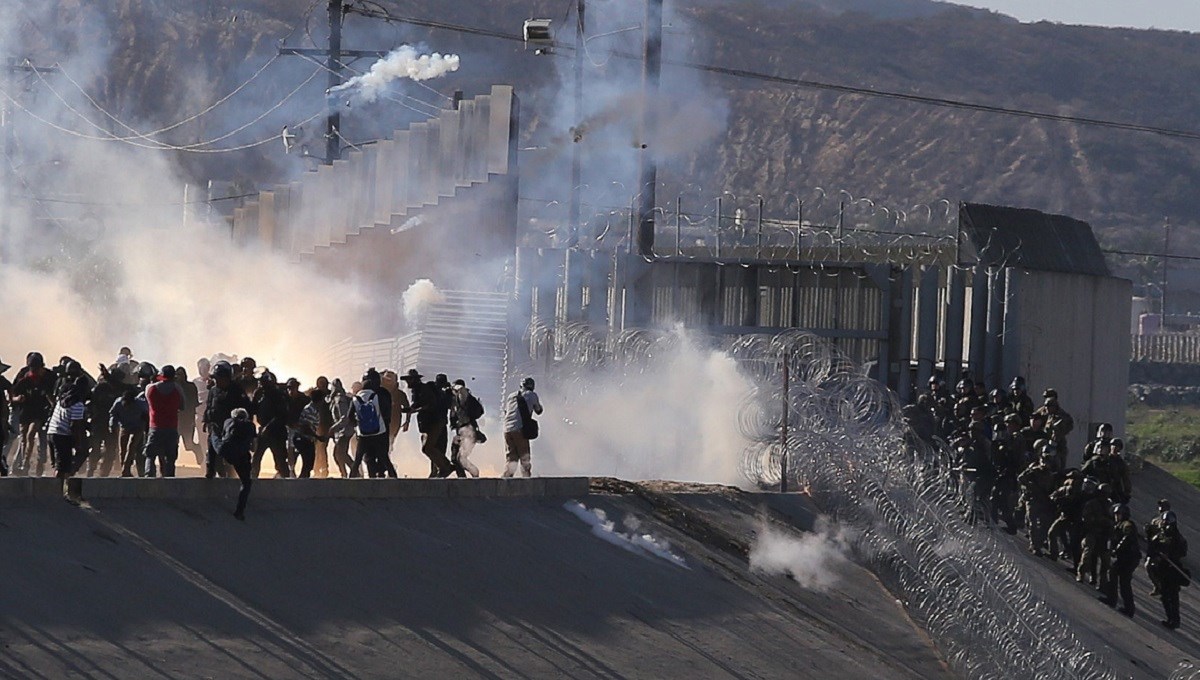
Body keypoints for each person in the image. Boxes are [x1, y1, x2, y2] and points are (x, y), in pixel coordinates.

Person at [10, 352, 56, 476]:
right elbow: (12, 394)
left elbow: (52, 396)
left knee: (33, 436)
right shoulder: (24, 378)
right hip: (25, 412)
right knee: (24, 437)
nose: (35, 371)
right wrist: (18, 399)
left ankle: (32, 463)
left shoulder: (49, 377)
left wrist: (54, 406)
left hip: (41, 413)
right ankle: (23, 463)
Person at [202, 360, 251, 479]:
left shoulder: (237, 391)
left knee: (229, 455)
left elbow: (245, 410)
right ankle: (212, 472)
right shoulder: (213, 390)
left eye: (219, 378)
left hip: (231, 430)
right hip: (215, 427)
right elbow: (209, 405)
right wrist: (206, 420)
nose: (217, 381)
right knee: (212, 453)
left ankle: (232, 476)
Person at [402, 369, 452, 478]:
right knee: (432, 448)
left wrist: (414, 410)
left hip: (435, 421)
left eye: (409, 379)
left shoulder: (424, 389)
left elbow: (430, 404)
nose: (407, 382)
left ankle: (445, 467)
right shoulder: (417, 390)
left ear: (415, 380)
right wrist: (410, 409)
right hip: (430, 423)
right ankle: (442, 467)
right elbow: (417, 404)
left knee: (427, 448)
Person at [344, 369, 393, 478]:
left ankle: (357, 483)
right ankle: (394, 483)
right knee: (384, 458)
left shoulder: (357, 397)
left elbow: (350, 417)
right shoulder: (383, 393)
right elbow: (387, 414)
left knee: (362, 458)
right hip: (381, 431)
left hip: (364, 433)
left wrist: (360, 424)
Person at [1147, 510, 1188, 629]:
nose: (1164, 523)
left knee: (1173, 596)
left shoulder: (1176, 537)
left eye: (1166, 521)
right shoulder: (1161, 534)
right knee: (1164, 595)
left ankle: (1175, 620)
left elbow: (1182, 551)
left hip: (1172, 569)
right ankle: (1170, 618)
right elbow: (1152, 547)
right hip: (1162, 568)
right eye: (1163, 521)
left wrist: (1169, 555)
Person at [143, 365, 184, 478]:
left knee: (150, 455)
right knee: (170, 457)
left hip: (155, 427)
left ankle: (149, 476)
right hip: (171, 427)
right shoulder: (177, 388)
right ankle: (170, 478)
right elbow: (182, 406)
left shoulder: (150, 388)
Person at [218, 408, 257, 521]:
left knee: (214, 442)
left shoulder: (227, 422)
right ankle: (239, 511)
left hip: (227, 453)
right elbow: (253, 447)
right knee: (246, 483)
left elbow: (224, 437)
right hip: (241, 456)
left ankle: (212, 471)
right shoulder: (250, 425)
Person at [1102, 504, 1141, 617]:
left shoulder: (1127, 525)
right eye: (1115, 514)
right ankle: (1112, 599)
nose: (1116, 516)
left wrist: (1117, 549)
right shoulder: (1118, 525)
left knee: (1124, 582)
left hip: (1129, 558)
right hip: (1124, 557)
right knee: (1113, 574)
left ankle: (1128, 608)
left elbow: (1127, 538)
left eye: (1118, 514)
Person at [86, 365, 125, 477]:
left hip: (111, 425)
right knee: (95, 449)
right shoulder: (100, 388)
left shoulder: (120, 390)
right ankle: (91, 470)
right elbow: (90, 403)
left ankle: (104, 473)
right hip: (98, 422)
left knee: (111, 451)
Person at [47, 376, 89, 480]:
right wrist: (78, 443)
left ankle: (60, 489)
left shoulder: (62, 398)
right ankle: (58, 492)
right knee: (62, 469)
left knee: (60, 466)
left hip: (52, 433)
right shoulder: (78, 404)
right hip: (62, 436)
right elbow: (75, 425)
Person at [251, 372, 291, 479]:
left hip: (277, 433)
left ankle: (285, 481)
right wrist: (255, 398)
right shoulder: (261, 394)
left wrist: (269, 427)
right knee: (256, 458)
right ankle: (252, 480)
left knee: (280, 460)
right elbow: (253, 410)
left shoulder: (278, 395)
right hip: (263, 431)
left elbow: (282, 415)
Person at [503, 377, 543, 478]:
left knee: (511, 459)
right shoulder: (532, 395)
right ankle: (527, 482)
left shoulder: (511, 396)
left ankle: (505, 482)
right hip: (519, 429)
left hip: (507, 430)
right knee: (524, 458)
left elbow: (506, 412)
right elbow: (538, 410)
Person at [449, 379, 484, 478]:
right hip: (460, 432)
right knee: (454, 458)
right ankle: (462, 478)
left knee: (461, 458)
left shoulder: (464, 396)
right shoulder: (456, 399)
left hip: (468, 431)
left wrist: (453, 386)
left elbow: (461, 388)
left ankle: (475, 473)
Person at [110, 387, 149, 477]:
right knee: (122, 449)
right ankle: (125, 470)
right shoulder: (118, 403)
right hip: (124, 426)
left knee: (132, 447)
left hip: (138, 426)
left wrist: (146, 427)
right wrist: (112, 424)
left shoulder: (140, 404)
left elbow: (148, 414)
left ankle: (125, 469)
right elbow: (113, 414)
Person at [327, 379, 355, 477]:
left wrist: (333, 428)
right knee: (341, 454)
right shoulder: (337, 398)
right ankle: (349, 472)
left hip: (344, 431)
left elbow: (344, 418)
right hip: (342, 431)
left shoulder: (340, 399)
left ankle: (349, 473)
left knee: (339, 454)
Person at [1146, 499, 1174, 597]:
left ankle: (1163, 588)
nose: (1161, 509)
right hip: (1154, 548)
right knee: (1148, 566)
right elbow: (1151, 535)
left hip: (1163, 549)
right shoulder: (1155, 520)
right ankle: (1158, 586)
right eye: (1160, 506)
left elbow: (1170, 537)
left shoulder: (1170, 521)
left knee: (1158, 568)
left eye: (1163, 506)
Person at [175, 366, 202, 466]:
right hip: (176, 421)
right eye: (177, 375)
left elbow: (194, 403)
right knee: (174, 444)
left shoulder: (191, 387)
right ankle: (170, 465)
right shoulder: (174, 387)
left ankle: (197, 450)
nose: (179, 377)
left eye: (181, 375)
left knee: (188, 445)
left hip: (187, 420)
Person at [308, 376, 334, 478]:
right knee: (318, 449)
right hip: (317, 425)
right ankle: (318, 469)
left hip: (326, 426)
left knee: (321, 449)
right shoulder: (315, 394)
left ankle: (322, 469)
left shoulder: (330, 394)